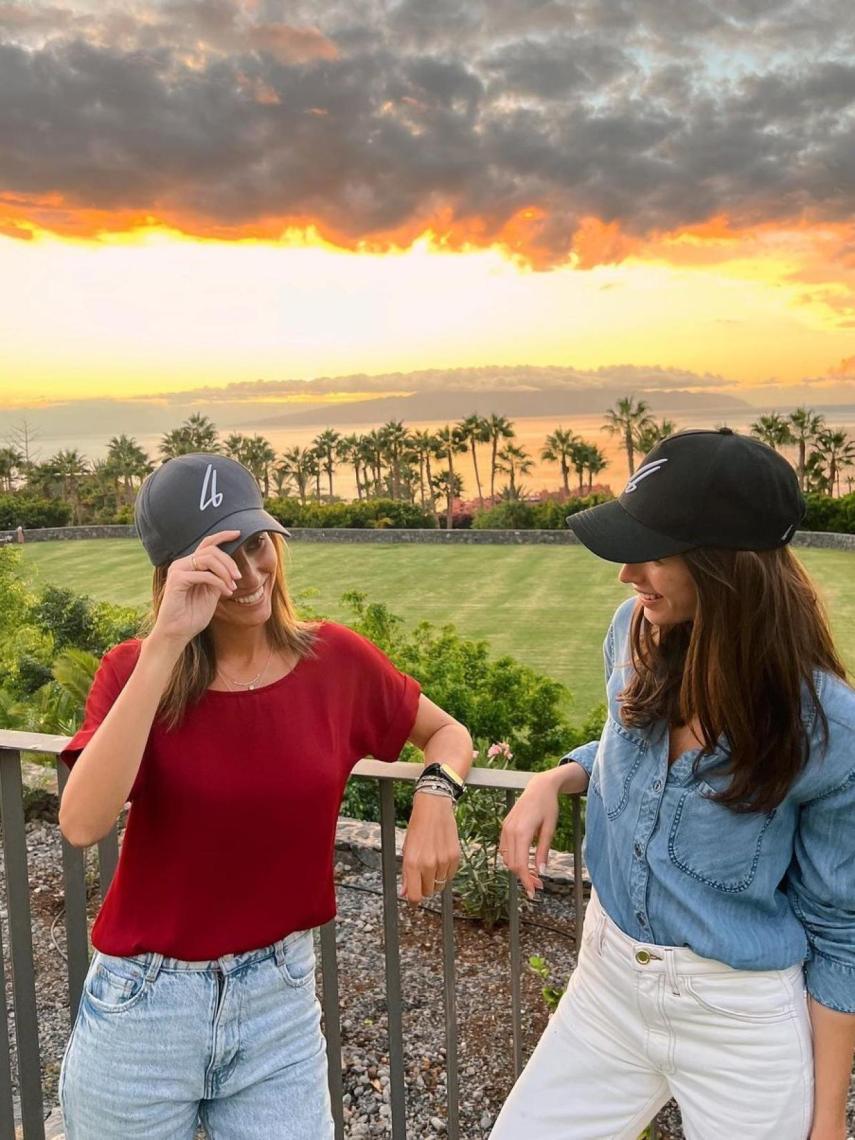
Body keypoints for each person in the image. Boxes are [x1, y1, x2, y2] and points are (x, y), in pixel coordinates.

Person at [58, 452, 473, 1139]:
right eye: (222, 558)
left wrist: (435, 795)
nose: (250, 576)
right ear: (175, 572)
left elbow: (447, 733)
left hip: (278, 1004)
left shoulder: (335, 661)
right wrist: (166, 643)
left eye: (257, 545)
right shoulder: (133, 670)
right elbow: (82, 821)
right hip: (145, 1007)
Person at [492, 429, 855, 1140]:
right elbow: (627, 752)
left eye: (652, 552)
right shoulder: (633, 634)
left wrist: (827, 1117)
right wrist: (558, 775)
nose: (626, 574)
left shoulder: (828, 728)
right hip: (606, 986)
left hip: (738, 1019)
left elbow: (841, 930)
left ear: (726, 568)